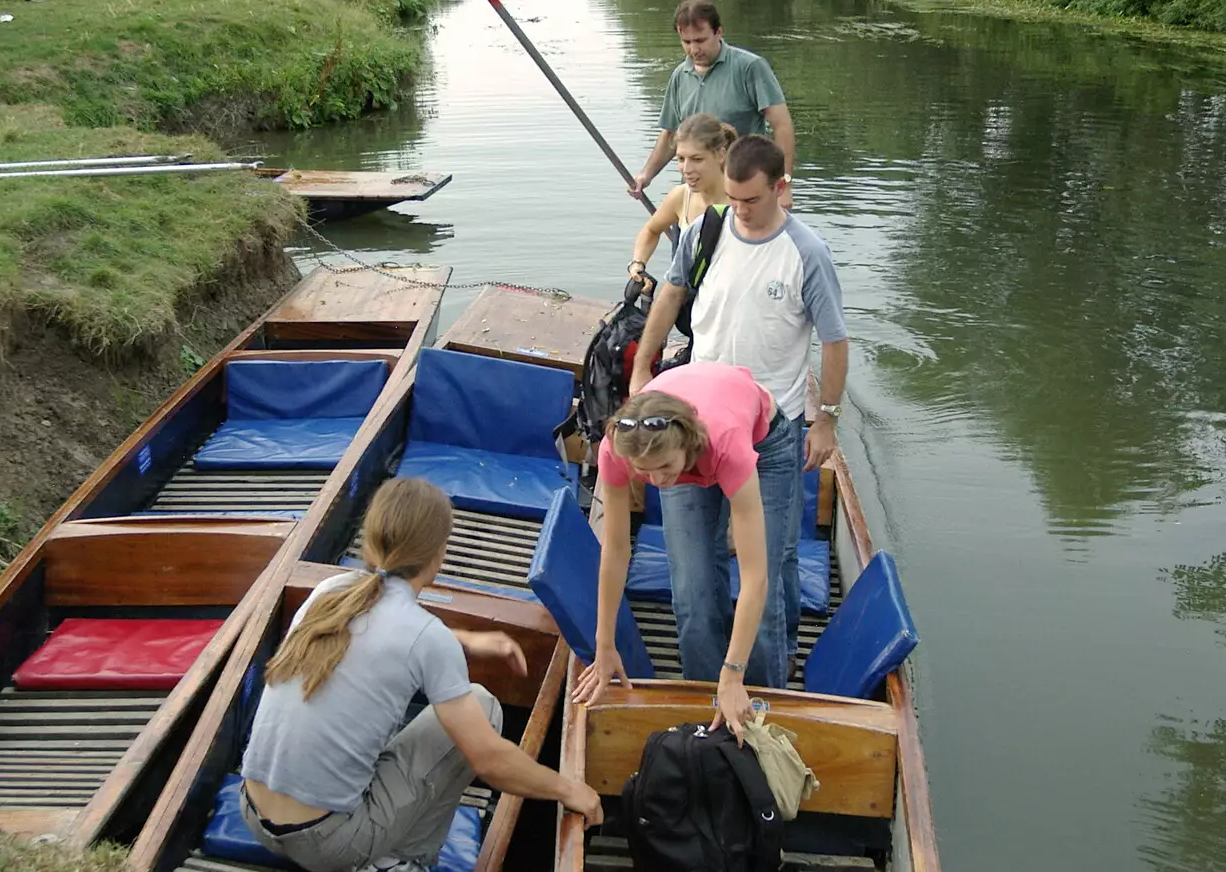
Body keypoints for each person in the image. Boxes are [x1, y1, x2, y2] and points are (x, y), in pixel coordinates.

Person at [240, 478, 603, 872]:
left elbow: (386, 631)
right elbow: (490, 762)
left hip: (253, 815)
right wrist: (570, 791)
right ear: (438, 553)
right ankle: (404, 863)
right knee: (482, 707)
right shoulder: (424, 636)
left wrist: (467, 640)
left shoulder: (330, 591)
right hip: (328, 845)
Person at [628, 135, 848, 663]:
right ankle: (706, 698)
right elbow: (672, 295)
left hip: (770, 435)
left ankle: (770, 693)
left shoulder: (806, 253)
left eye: (752, 200)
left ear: (780, 187)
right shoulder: (706, 230)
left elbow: (835, 341)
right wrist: (641, 366)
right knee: (693, 582)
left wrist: (826, 421)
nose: (740, 211)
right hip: (691, 427)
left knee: (768, 573)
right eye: (733, 198)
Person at [576, 363, 797, 736]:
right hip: (687, 444)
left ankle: (759, 714)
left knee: (765, 597)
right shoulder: (620, 450)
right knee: (692, 591)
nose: (657, 482)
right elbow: (614, 552)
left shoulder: (726, 446)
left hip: (763, 440)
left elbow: (755, 578)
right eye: (644, 473)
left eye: (663, 468)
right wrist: (604, 644)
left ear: (685, 446)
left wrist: (733, 672)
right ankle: (705, 716)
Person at [630, 0, 797, 209]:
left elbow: (782, 125)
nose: (693, 49)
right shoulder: (679, 76)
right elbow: (671, 135)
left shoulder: (750, 68)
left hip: (744, 196)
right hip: (694, 198)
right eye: (686, 42)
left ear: (719, 32)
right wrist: (646, 175)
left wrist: (785, 184)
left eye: (700, 40)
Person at [627, 113, 736, 285]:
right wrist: (638, 263)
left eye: (697, 159)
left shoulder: (743, 200)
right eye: (681, 159)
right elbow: (651, 230)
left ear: (721, 154)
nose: (686, 169)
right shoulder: (681, 196)